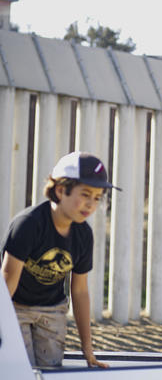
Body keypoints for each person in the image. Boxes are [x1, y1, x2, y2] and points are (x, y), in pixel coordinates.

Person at [1, 151, 120, 368]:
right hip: (15, 307)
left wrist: (87, 348)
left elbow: (80, 290)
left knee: (51, 370)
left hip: (52, 310)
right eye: (85, 194)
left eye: (97, 197)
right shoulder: (28, 224)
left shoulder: (84, 235)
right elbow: (6, 284)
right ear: (60, 189)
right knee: (19, 368)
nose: (91, 204)